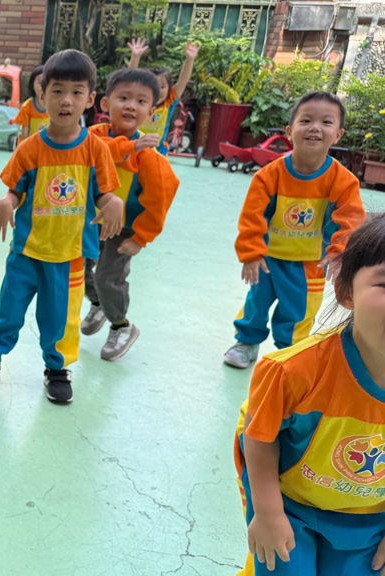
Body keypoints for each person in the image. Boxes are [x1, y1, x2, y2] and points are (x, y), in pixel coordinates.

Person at [0, 49, 123, 404]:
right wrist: (7, 202)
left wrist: (114, 202)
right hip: (26, 251)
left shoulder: (96, 150)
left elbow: (103, 195)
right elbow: (14, 190)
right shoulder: (29, 148)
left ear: (90, 99)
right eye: (57, 91)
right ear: (42, 94)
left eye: (76, 92)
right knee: (8, 309)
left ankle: (57, 368)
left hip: (70, 257)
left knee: (61, 319)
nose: (66, 100)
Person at [233, 212, 385, 576]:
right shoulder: (292, 371)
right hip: (288, 499)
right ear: (346, 293)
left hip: (368, 516)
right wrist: (267, 512)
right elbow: (259, 437)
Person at [224, 92, 365, 369]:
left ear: (338, 135)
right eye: (306, 120)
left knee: (299, 312)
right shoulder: (269, 175)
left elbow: (351, 219)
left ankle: (289, 354)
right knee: (255, 303)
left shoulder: (343, 181)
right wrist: (251, 253)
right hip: (267, 259)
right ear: (289, 131)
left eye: (326, 122)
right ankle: (246, 342)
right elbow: (252, 216)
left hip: (310, 264)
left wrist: (339, 252)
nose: (315, 127)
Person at [81, 68, 179, 360]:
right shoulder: (94, 136)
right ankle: (99, 304)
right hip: (89, 224)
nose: (131, 106)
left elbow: (161, 198)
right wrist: (129, 146)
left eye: (141, 101)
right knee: (78, 270)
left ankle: (121, 325)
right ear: (104, 103)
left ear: (151, 111)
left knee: (107, 278)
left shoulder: (149, 157)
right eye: (123, 98)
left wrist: (141, 238)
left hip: (122, 230)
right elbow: (93, 151)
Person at [127, 37, 199, 155]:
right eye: (152, 86)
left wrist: (189, 60)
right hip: (134, 149)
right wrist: (135, 57)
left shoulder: (168, 102)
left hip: (157, 152)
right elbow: (129, 80)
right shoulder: (138, 100)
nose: (157, 91)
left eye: (162, 87)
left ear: (169, 89)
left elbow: (183, 81)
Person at [14, 65, 49, 141]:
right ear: (32, 85)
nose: (42, 87)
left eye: (46, 83)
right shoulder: (27, 106)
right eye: (40, 82)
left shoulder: (54, 105)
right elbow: (25, 131)